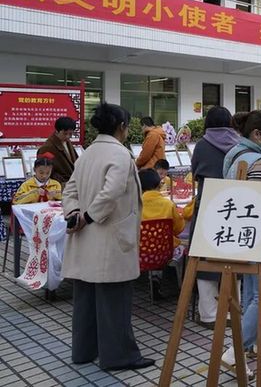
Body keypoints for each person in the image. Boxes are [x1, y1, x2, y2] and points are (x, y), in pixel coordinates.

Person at [62, 103, 154, 371]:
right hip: (111, 236)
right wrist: (90, 216)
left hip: (85, 237)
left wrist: (75, 214)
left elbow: (70, 191)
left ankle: (83, 351)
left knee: (86, 299)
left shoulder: (87, 153)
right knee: (114, 300)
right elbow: (112, 192)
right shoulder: (120, 154)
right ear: (121, 127)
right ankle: (118, 356)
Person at [222, 110, 261, 371]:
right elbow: (258, 203)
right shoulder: (258, 162)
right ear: (257, 134)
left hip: (244, 235)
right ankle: (236, 350)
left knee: (251, 294)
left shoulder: (234, 154)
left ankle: (248, 344)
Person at [189, 106, 241, 329]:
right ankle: (233, 308)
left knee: (206, 257)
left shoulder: (201, 145)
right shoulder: (239, 144)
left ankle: (208, 314)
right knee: (234, 257)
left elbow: (195, 172)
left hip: (208, 205)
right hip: (234, 205)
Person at [138, 168, 185, 299]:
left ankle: (154, 279)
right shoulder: (168, 204)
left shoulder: (136, 205)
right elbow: (179, 228)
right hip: (165, 252)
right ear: (159, 184)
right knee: (182, 248)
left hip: (140, 253)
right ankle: (181, 285)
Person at [37, 116, 79, 185]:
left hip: (71, 182)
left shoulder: (67, 142)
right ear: (57, 131)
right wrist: (60, 181)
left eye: (70, 134)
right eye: (65, 134)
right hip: (58, 186)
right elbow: (43, 169)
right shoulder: (47, 147)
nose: (68, 136)